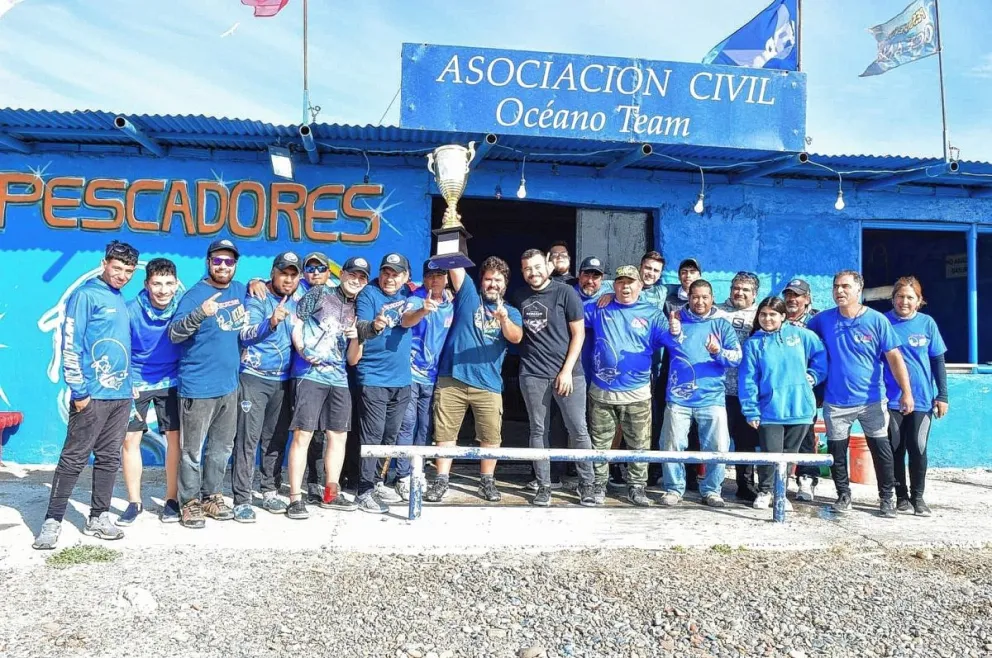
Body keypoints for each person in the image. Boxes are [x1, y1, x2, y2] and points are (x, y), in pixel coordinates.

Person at [32, 241, 139, 550]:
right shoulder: (86, 295)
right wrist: (79, 391)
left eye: (128, 271)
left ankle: (98, 516)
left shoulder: (120, 299)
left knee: (108, 459)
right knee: (73, 459)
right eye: (117, 268)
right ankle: (52, 521)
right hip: (91, 396)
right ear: (104, 263)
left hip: (120, 397)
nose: (122, 275)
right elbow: (70, 344)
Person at [806, 270, 915, 517]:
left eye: (845, 286)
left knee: (881, 449)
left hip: (872, 401)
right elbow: (804, 342)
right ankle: (843, 495)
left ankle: (886, 498)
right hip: (836, 401)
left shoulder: (876, 321)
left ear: (858, 290)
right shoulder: (822, 320)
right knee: (836, 452)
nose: (839, 291)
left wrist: (906, 393)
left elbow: (895, 358)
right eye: (835, 286)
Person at [424, 257, 523, 503]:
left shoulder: (511, 312)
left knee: (490, 437)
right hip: (452, 379)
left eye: (498, 280)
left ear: (505, 284)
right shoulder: (468, 296)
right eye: (488, 279)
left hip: (488, 384)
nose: (492, 284)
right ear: (481, 281)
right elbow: (454, 265)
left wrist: (503, 320)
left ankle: (487, 482)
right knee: (445, 434)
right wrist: (452, 225)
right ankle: (441, 480)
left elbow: (516, 338)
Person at [283, 256, 374, 519]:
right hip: (310, 374)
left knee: (338, 437)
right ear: (342, 274)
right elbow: (296, 323)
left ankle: (330, 494)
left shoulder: (361, 308)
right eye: (352, 274)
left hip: (339, 379)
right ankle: (295, 498)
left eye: (362, 277)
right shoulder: (320, 293)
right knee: (304, 435)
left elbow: (353, 359)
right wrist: (301, 349)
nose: (356, 280)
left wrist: (357, 338)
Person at [168, 238, 247, 529]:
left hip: (229, 386)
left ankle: (212, 496)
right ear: (208, 262)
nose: (223, 266)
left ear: (235, 265)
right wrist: (201, 313)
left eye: (229, 261)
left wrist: (259, 283)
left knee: (221, 448)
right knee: (192, 450)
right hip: (198, 388)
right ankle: (189, 503)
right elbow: (175, 334)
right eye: (218, 260)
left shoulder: (240, 290)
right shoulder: (194, 295)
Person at [584, 266, 674, 506]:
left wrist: (676, 330)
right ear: (613, 286)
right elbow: (571, 314)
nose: (625, 286)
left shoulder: (653, 314)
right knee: (600, 443)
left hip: (637, 393)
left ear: (640, 285)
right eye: (620, 281)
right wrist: (595, 296)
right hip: (601, 391)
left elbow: (672, 341)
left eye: (630, 282)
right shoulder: (599, 308)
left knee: (639, 444)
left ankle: (636, 488)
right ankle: (599, 485)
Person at [515, 249, 597, 507]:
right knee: (538, 430)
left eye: (537, 267)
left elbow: (579, 335)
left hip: (569, 375)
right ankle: (544, 485)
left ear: (548, 267)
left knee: (578, 429)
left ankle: (587, 484)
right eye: (528, 268)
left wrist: (566, 371)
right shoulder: (518, 296)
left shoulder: (566, 293)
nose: (533, 272)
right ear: (522, 271)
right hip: (532, 373)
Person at [230, 252, 301, 523]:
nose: (288, 279)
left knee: (275, 439)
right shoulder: (257, 298)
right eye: (284, 273)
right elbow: (245, 335)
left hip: (282, 380)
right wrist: (271, 322)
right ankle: (242, 498)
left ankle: (269, 490)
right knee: (247, 439)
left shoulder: (299, 299)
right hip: (253, 378)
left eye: (294, 275)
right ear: (273, 273)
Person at [738, 296, 827, 511]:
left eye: (773, 314)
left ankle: (780, 493)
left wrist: (814, 375)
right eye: (763, 314)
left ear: (783, 316)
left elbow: (821, 355)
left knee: (788, 456)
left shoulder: (801, 335)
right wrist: (751, 410)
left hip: (800, 409)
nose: (767, 319)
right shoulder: (753, 344)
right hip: (770, 410)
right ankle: (765, 491)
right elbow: (748, 379)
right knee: (771, 454)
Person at [660, 279, 742, 508]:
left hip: (712, 397)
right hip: (678, 398)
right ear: (689, 297)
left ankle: (712, 490)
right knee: (672, 445)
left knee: (718, 447)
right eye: (695, 296)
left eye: (705, 297)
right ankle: (674, 489)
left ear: (712, 298)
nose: (700, 301)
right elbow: (660, 343)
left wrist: (718, 352)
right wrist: (672, 333)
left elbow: (737, 358)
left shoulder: (722, 325)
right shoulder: (675, 320)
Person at [118, 257, 182, 526]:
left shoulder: (183, 307)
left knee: (175, 442)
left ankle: (171, 500)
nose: (163, 290)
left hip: (172, 381)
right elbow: (118, 347)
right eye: (157, 283)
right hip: (136, 382)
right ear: (146, 284)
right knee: (129, 442)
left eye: (168, 283)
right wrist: (124, 381)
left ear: (177, 284)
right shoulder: (130, 310)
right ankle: (135, 502)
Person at [354, 253, 415, 513]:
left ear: (406, 277)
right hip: (374, 378)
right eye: (386, 272)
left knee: (390, 436)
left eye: (396, 273)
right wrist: (375, 325)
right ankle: (364, 491)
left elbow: (410, 316)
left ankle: (377, 481)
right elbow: (361, 326)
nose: (390, 278)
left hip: (402, 380)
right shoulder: (369, 294)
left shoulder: (409, 296)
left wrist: (425, 307)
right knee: (372, 435)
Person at [884, 277, 949, 517]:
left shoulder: (927, 324)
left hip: (922, 398)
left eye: (910, 297)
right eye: (900, 296)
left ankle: (918, 497)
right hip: (891, 399)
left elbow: (937, 361)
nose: (904, 301)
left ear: (919, 301)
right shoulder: (883, 323)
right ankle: (901, 497)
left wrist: (942, 395)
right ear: (893, 298)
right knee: (896, 448)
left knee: (918, 446)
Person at [393, 262, 454, 501]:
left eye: (439, 276)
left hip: (434, 376)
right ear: (424, 279)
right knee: (408, 424)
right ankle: (403, 476)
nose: (435, 280)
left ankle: (418, 471)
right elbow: (406, 319)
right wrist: (423, 312)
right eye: (430, 276)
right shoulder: (417, 299)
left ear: (446, 279)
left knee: (426, 425)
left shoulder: (450, 303)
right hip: (410, 373)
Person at [717, 272, 761, 503]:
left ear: (755, 294)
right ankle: (703, 483)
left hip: (746, 391)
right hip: (717, 389)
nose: (739, 292)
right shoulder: (716, 311)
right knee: (714, 438)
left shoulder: (761, 315)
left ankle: (745, 485)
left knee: (745, 441)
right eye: (736, 288)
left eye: (745, 289)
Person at [782, 278, 822, 502]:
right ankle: (779, 479)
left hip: (807, 390)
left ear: (807, 298)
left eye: (797, 295)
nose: (791, 299)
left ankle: (806, 479)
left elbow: (823, 357)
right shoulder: (777, 317)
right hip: (779, 390)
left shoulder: (817, 321)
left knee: (806, 434)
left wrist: (816, 381)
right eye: (788, 295)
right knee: (780, 434)